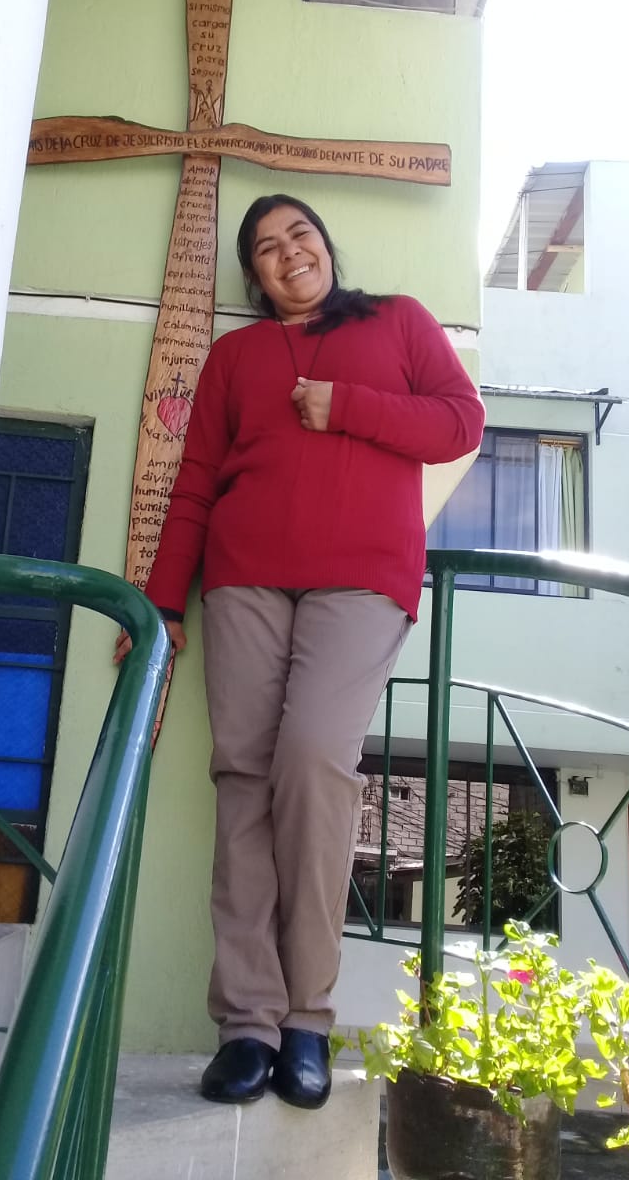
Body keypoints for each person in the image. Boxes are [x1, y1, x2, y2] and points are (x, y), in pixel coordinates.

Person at [115, 194, 485, 1110]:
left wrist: (345, 406)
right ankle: (247, 1024)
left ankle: (307, 1017)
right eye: (267, 249)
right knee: (243, 775)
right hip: (243, 578)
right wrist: (161, 600)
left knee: (314, 761)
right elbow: (196, 481)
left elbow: (459, 424)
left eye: (300, 237)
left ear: (325, 245)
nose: (289, 255)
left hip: (362, 581)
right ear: (255, 275)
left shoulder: (397, 322)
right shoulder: (235, 357)